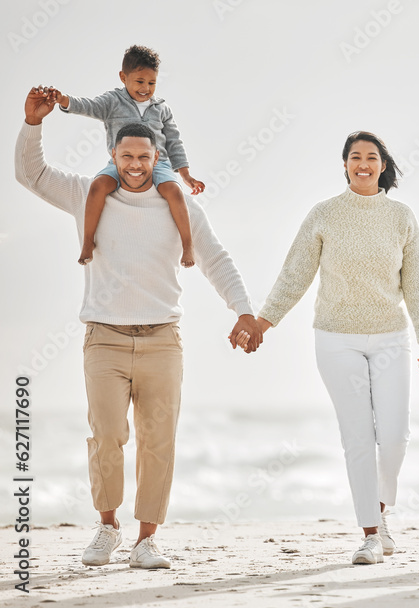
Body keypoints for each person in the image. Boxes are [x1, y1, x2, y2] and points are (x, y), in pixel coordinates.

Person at [15, 87, 262, 569]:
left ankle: (147, 539)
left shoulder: (179, 205)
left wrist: (243, 310)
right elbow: (32, 174)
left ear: (156, 158)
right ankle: (107, 528)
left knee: (158, 439)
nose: (134, 164)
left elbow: (215, 259)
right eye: (126, 155)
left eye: (143, 157)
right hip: (103, 338)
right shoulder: (90, 194)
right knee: (106, 435)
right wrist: (33, 124)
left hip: (162, 341)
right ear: (113, 155)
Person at [252, 131, 419, 565]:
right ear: (345, 165)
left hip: (391, 336)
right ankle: (371, 533)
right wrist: (264, 321)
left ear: (383, 165)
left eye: (371, 157)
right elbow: (294, 274)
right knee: (358, 437)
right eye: (355, 157)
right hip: (336, 338)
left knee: (394, 437)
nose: (363, 164)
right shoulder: (324, 215)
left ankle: (381, 511)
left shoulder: (401, 217)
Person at [51, 44, 205, 267]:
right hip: (120, 164)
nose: (146, 88)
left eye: (152, 83)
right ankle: (87, 242)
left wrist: (186, 174)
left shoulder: (161, 109)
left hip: (157, 164)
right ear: (123, 77)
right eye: (140, 81)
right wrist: (64, 100)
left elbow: (174, 141)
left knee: (174, 191)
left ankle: (187, 245)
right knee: (98, 186)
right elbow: (89, 106)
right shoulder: (113, 101)